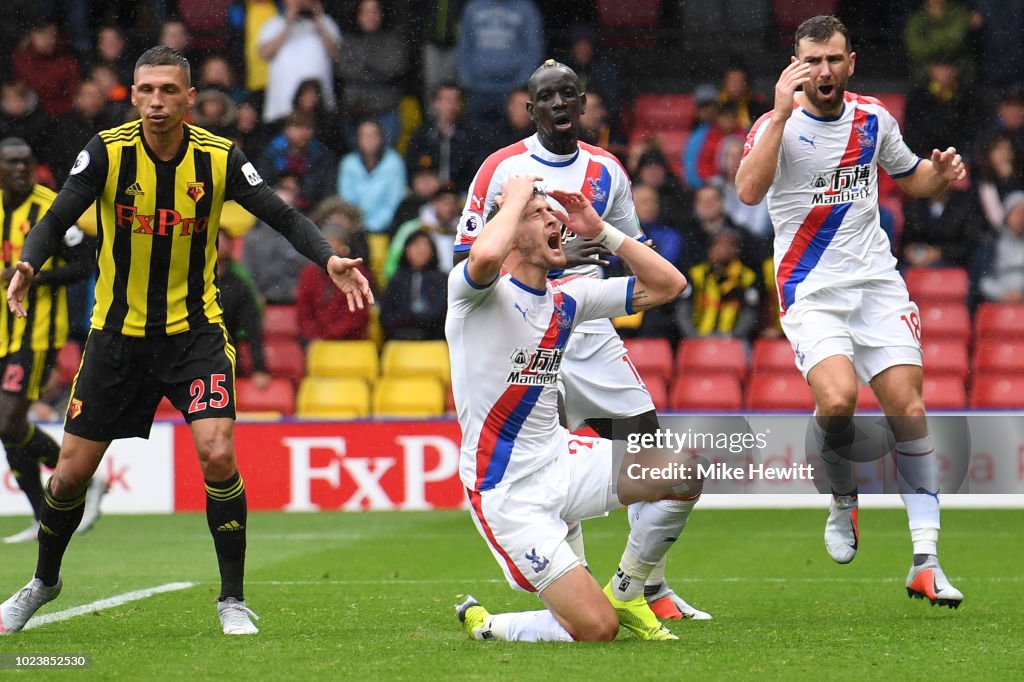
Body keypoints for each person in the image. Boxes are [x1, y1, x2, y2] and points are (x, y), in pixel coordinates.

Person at [0, 46, 372, 636]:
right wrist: (27, 264)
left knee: (219, 453)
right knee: (69, 474)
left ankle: (232, 599)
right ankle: (44, 581)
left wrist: (327, 258)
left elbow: (281, 215)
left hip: (193, 333)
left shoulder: (219, 159)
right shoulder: (107, 151)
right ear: (133, 93)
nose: (155, 101)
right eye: (145, 89)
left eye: (168, 90)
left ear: (189, 98)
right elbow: (57, 215)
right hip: (116, 337)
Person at [453, 60, 709, 621]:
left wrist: (599, 236)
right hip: (520, 328)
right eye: (547, 98)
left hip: (583, 323)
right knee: (546, 456)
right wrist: (551, 256)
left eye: (569, 94)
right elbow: (470, 258)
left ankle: (648, 584)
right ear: (531, 109)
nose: (560, 105)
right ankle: (576, 586)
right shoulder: (501, 170)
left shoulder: (608, 172)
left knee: (649, 449)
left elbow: (645, 264)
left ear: (584, 102)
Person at [736, 15, 965, 607]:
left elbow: (911, 177)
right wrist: (781, 115)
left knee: (908, 408)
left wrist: (938, 176)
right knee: (837, 401)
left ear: (851, 62)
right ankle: (842, 497)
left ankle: (926, 560)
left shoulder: (873, 118)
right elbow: (748, 192)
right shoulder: (774, 126)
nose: (824, 71)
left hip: (876, 286)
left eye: (834, 59)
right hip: (811, 289)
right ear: (795, 66)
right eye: (812, 61)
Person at [0, 137, 102, 545]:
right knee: (9, 428)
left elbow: (85, 262)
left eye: (27, 162)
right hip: (1, 334)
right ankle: (43, 518)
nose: (21, 169)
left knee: (7, 422)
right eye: (12, 163)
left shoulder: (52, 207)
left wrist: (36, 277)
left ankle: (79, 477)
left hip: (35, 333)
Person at [381, 231, 447, 340]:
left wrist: (420, 320)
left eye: (425, 245)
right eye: (415, 244)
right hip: (400, 338)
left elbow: (442, 313)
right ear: (406, 249)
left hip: (434, 338)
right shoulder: (397, 279)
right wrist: (408, 320)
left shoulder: (442, 279)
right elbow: (387, 316)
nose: (421, 249)